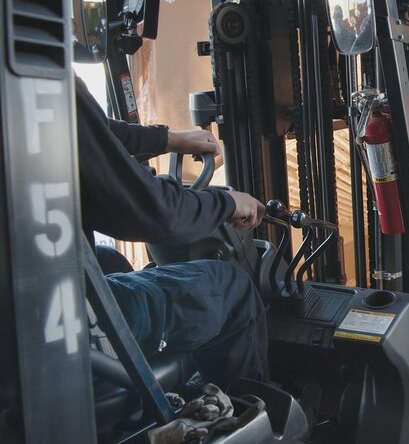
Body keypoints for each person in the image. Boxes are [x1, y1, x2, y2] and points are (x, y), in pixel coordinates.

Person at [75, 76, 269, 386]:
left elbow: (94, 135)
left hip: (31, 310)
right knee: (232, 287)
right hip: (66, 326)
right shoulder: (42, 74)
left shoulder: (27, 91)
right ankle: (243, 413)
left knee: (109, 260)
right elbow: (155, 214)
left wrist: (167, 140)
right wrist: (226, 202)